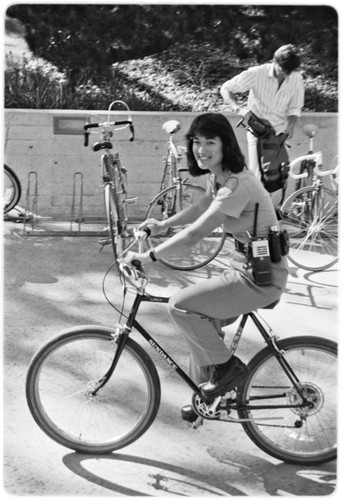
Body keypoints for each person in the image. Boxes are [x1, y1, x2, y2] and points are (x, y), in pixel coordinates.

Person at [123, 113, 288, 423]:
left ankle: (228, 370)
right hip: (245, 268)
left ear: (226, 144)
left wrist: (150, 258)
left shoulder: (238, 184)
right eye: (197, 142)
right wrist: (162, 225)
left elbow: (197, 233)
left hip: (261, 277)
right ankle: (206, 397)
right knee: (200, 325)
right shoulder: (221, 178)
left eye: (210, 142)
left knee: (181, 306)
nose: (202, 149)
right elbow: (200, 207)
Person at [220, 44, 305, 206]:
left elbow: (295, 108)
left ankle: (270, 220)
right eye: (283, 70)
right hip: (258, 132)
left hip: (280, 134)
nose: (286, 74)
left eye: (289, 71)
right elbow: (226, 88)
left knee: (279, 178)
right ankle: (251, 218)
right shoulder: (256, 73)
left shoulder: (296, 78)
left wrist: (291, 125)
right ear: (274, 61)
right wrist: (239, 108)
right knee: (258, 177)